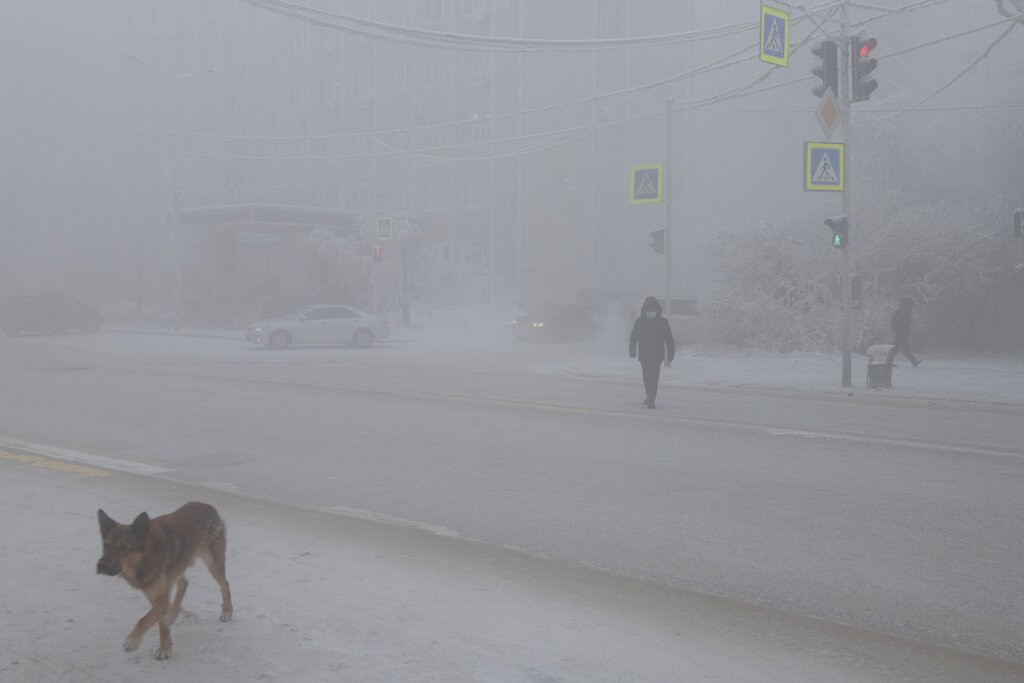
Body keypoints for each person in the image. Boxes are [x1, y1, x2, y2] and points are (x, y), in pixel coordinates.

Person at [629, 296, 675, 408]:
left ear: (657, 310)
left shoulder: (663, 322)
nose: (651, 312)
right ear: (645, 310)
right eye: (648, 310)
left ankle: (652, 397)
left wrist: (670, 354)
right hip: (644, 353)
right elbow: (633, 337)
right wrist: (632, 350)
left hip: (657, 354)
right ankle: (649, 394)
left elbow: (669, 339)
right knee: (646, 376)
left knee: (654, 376)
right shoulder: (639, 321)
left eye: (652, 310)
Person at [887, 296, 921, 367]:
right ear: (906, 304)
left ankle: (889, 362)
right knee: (899, 348)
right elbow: (894, 323)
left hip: (904, 334)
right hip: (900, 334)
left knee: (901, 348)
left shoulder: (906, 312)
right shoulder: (900, 312)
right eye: (910, 305)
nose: (911, 306)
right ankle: (888, 362)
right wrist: (898, 331)